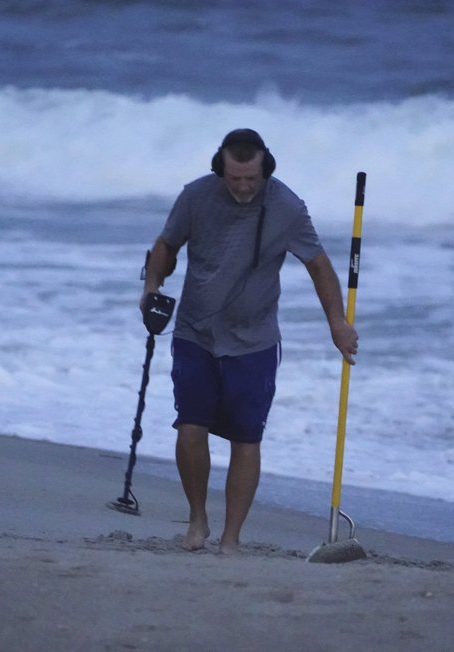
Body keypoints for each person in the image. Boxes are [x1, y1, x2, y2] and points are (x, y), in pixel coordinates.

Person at [141, 128, 358, 554]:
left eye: (251, 179)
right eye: (234, 178)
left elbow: (319, 266)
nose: (243, 187)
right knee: (190, 426)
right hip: (195, 332)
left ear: (266, 170)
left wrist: (337, 323)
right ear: (220, 167)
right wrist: (150, 288)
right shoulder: (195, 197)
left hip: (255, 339)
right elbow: (166, 246)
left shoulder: (287, 207)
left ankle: (231, 538)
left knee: (246, 437)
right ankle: (198, 520)